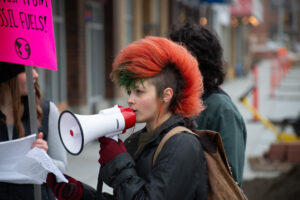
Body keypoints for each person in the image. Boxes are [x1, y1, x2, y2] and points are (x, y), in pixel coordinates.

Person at [46, 36, 208, 200]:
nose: (130, 99)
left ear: (166, 95)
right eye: (129, 92)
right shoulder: (141, 139)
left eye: (139, 91)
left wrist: (118, 162)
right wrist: (79, 193)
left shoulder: (181, 145)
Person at [169, 22, 247, 186]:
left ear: (195, 64)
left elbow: (229, 183)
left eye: (174, 62)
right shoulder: (176, 103)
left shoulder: (222, 111)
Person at [0, 62, 67, 200]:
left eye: (35, 69)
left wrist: (44, 160)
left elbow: (62, 169)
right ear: (8, 76)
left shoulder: (47, 111)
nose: (35, 75)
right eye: (27, 70)